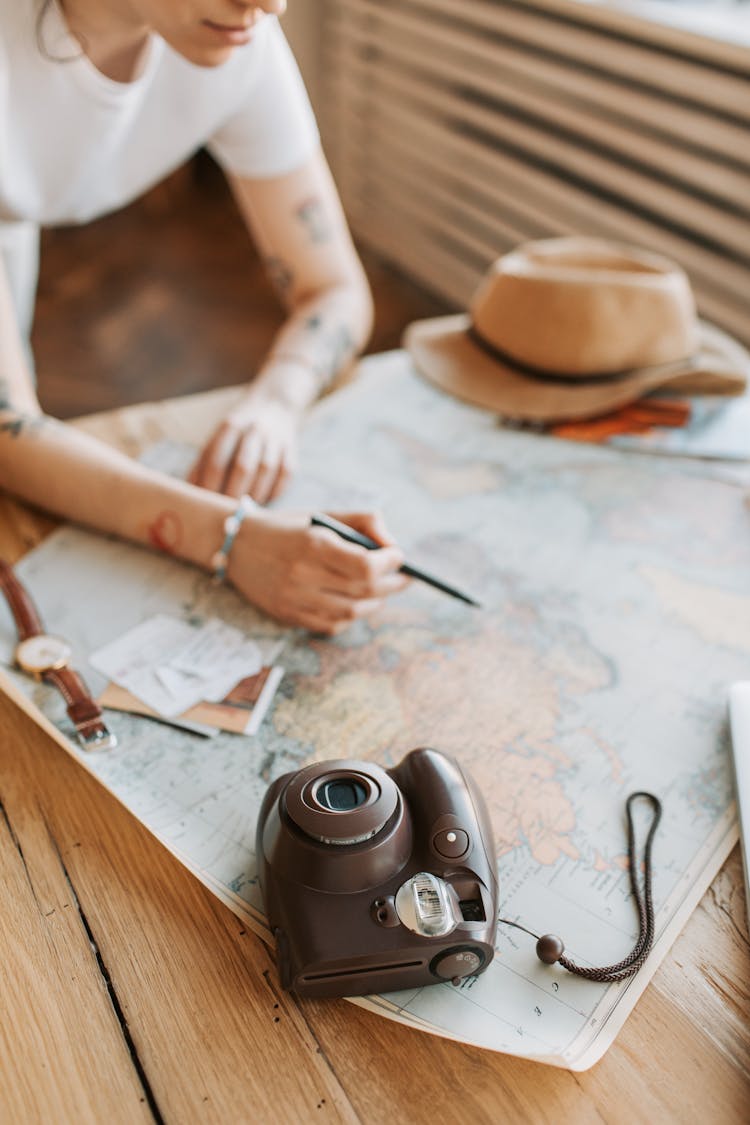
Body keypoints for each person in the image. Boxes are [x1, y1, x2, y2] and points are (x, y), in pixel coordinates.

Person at [0, 0, 409, 634]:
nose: (270, 4)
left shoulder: (241, 42)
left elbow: (333, 288)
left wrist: (276, 400)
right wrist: (233, 540)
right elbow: (8, 431)